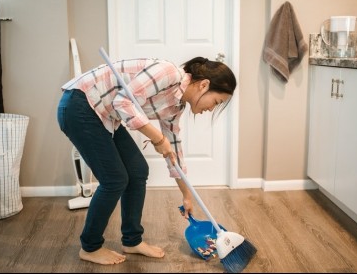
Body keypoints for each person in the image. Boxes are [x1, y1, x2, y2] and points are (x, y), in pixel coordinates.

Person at [57, 56, 237, 265]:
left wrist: (187, 196)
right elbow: (122, 101)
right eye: (216, 102)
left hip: (104, 114)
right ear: (204, 85)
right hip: (80, 105)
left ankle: (131, 241)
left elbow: (174, 151)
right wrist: (158, 138)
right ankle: (90, 247)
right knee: (114, 180)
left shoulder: (176, 107)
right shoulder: (168, 73)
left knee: (137, 171)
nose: (211, 109)